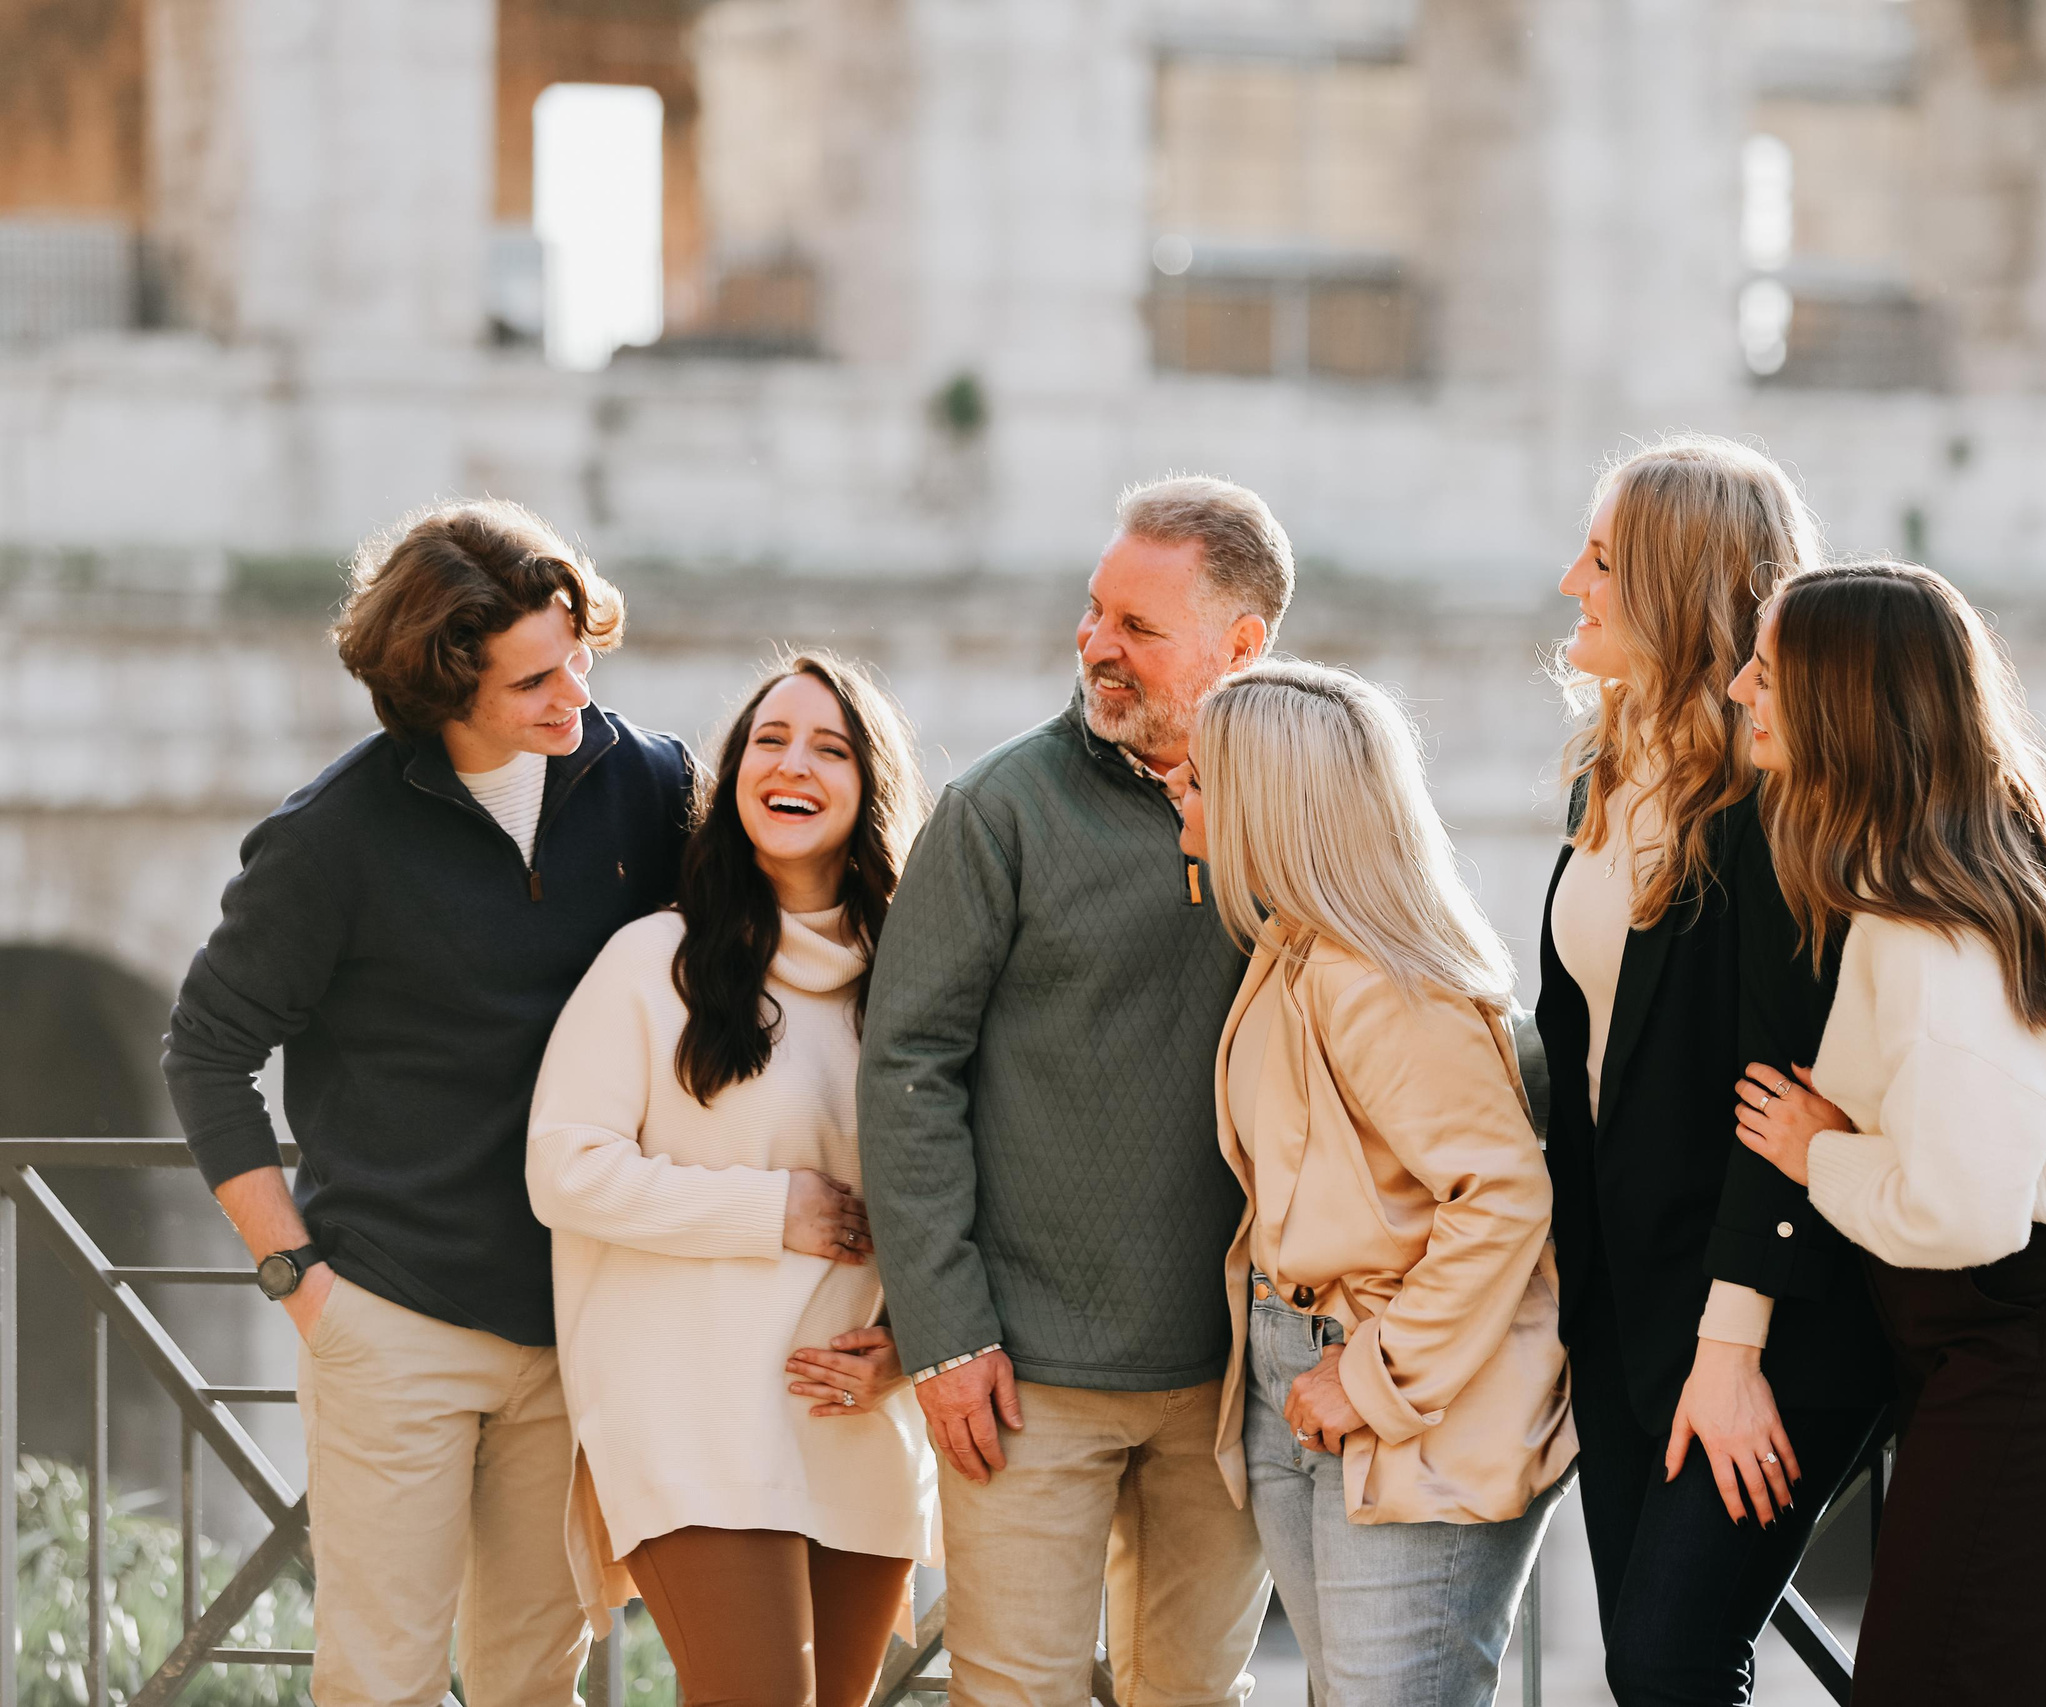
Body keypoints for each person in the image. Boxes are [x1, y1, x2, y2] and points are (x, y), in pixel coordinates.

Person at [161, 501, 695, 1707]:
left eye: (579, 657)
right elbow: (205, 1053)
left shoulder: (652, 786)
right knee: (380, 1682)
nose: (577, 696)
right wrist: (300, 1281)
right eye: (535, 681)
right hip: (391, 1327)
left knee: (535, 1683)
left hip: (580, 1329)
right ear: (444, 688)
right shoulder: (328, 841)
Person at [858, 476, 1287, 1707]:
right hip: (1022, 1378)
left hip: (1235, 1380)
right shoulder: (998, 812)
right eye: (1095, 611)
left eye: (1139, 627)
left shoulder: (1295, 809)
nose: (1097, 644)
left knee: (1194, 1698)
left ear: (1241, 645)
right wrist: (945, 1334)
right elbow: (907, 1070)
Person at [1729, 560, 2046, 1707]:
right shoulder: (1962, 875)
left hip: (2035, 1327)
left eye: (1767, 672)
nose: (1739, 689)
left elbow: (1962, 1212)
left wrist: (1815, 1152)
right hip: (2043, 1322)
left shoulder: (1935, 926)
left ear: (1844, 700)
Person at [1534, 437, 1892, 1705]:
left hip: (1762, 1312)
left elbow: (1778, 1088)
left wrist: (1731, 1352)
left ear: (1677, 586)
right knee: (1654, 1674)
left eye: (1601, 558)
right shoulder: (1603, 774)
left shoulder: (1772, 800)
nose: (1572, 582)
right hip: (1627, 1305)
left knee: (1670, 1661)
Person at [524, 652, 940, 1705]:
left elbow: (950, 1189)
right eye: (770, 740)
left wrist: (910, 1345)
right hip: (693, 1414)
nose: (792, 764)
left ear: (869, 787)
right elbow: (563, 1170)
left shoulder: (916, 985)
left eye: (829, 748)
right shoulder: (654, 961)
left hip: (851, 1419)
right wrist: (772, 1211)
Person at [1175, 661, 1575, 1707]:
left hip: (1405, 1392)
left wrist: (1371, 1376)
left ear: (1270, 805)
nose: (1178, 785)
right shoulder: (1293, 950)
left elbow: (1502, 1196)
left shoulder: (1376, 979)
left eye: (1203, 776)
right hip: (1299, 1371)